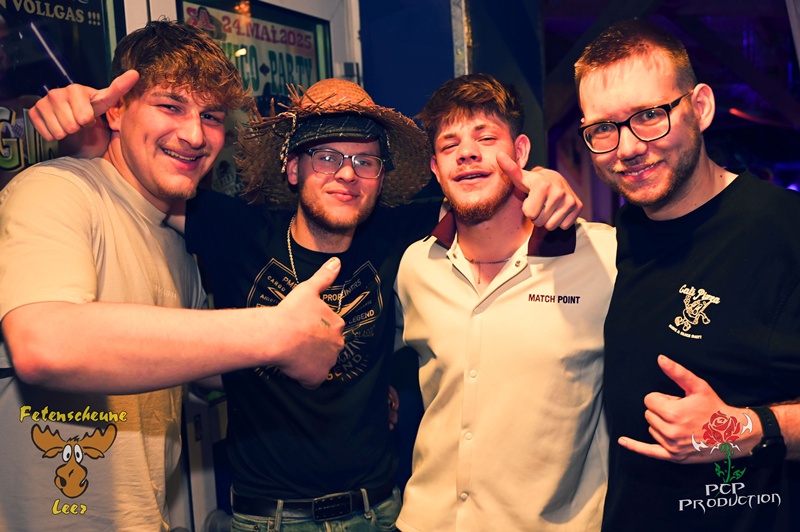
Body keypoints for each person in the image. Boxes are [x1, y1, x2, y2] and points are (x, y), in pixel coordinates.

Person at [32, 69, 584, 529]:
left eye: (365, 160)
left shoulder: (399, 235)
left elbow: (484, 195)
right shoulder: (232, 231)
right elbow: (134, 179)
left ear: (380, 177)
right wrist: (86, 135)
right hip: (264, 518)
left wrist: (540, 180)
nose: (347, 174)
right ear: (293, 167)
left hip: (378, 513)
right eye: (325, 156)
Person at [0, 21, 345, 531]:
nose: (194, 135)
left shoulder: (175, 240)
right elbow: (44, 346)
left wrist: (344, 375)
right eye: (170, 106)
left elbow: (198, 367)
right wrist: (273, 332)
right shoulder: (57, 190)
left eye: (211, 116)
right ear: (116, 110)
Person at [574, 18, 800, 531]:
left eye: (649, 115)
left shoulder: (784, 232)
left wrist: (742, 429)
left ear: (700, 107)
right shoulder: (626, 234)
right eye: (603, 128)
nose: (627, 148)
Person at [395, 73, 617, 530]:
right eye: (449, 144)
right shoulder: (416, 266)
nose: (466, 153)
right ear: (436, 168)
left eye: (485, 137)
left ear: (520, 152)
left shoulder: (602, 258)